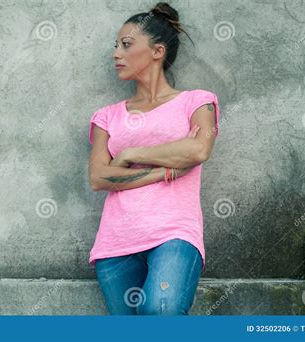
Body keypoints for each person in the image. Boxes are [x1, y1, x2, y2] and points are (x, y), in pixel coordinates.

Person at [87, 2, 220, 315]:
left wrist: (131, 154)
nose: (116, 53)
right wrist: (163, 172)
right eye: (116, 45)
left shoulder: (198, 102)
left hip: (174, 233)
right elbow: (98, 178)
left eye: (127, 45)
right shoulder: (106, 117)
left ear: (157, 51)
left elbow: (198, 150)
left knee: (161, 311)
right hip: (117, 241)